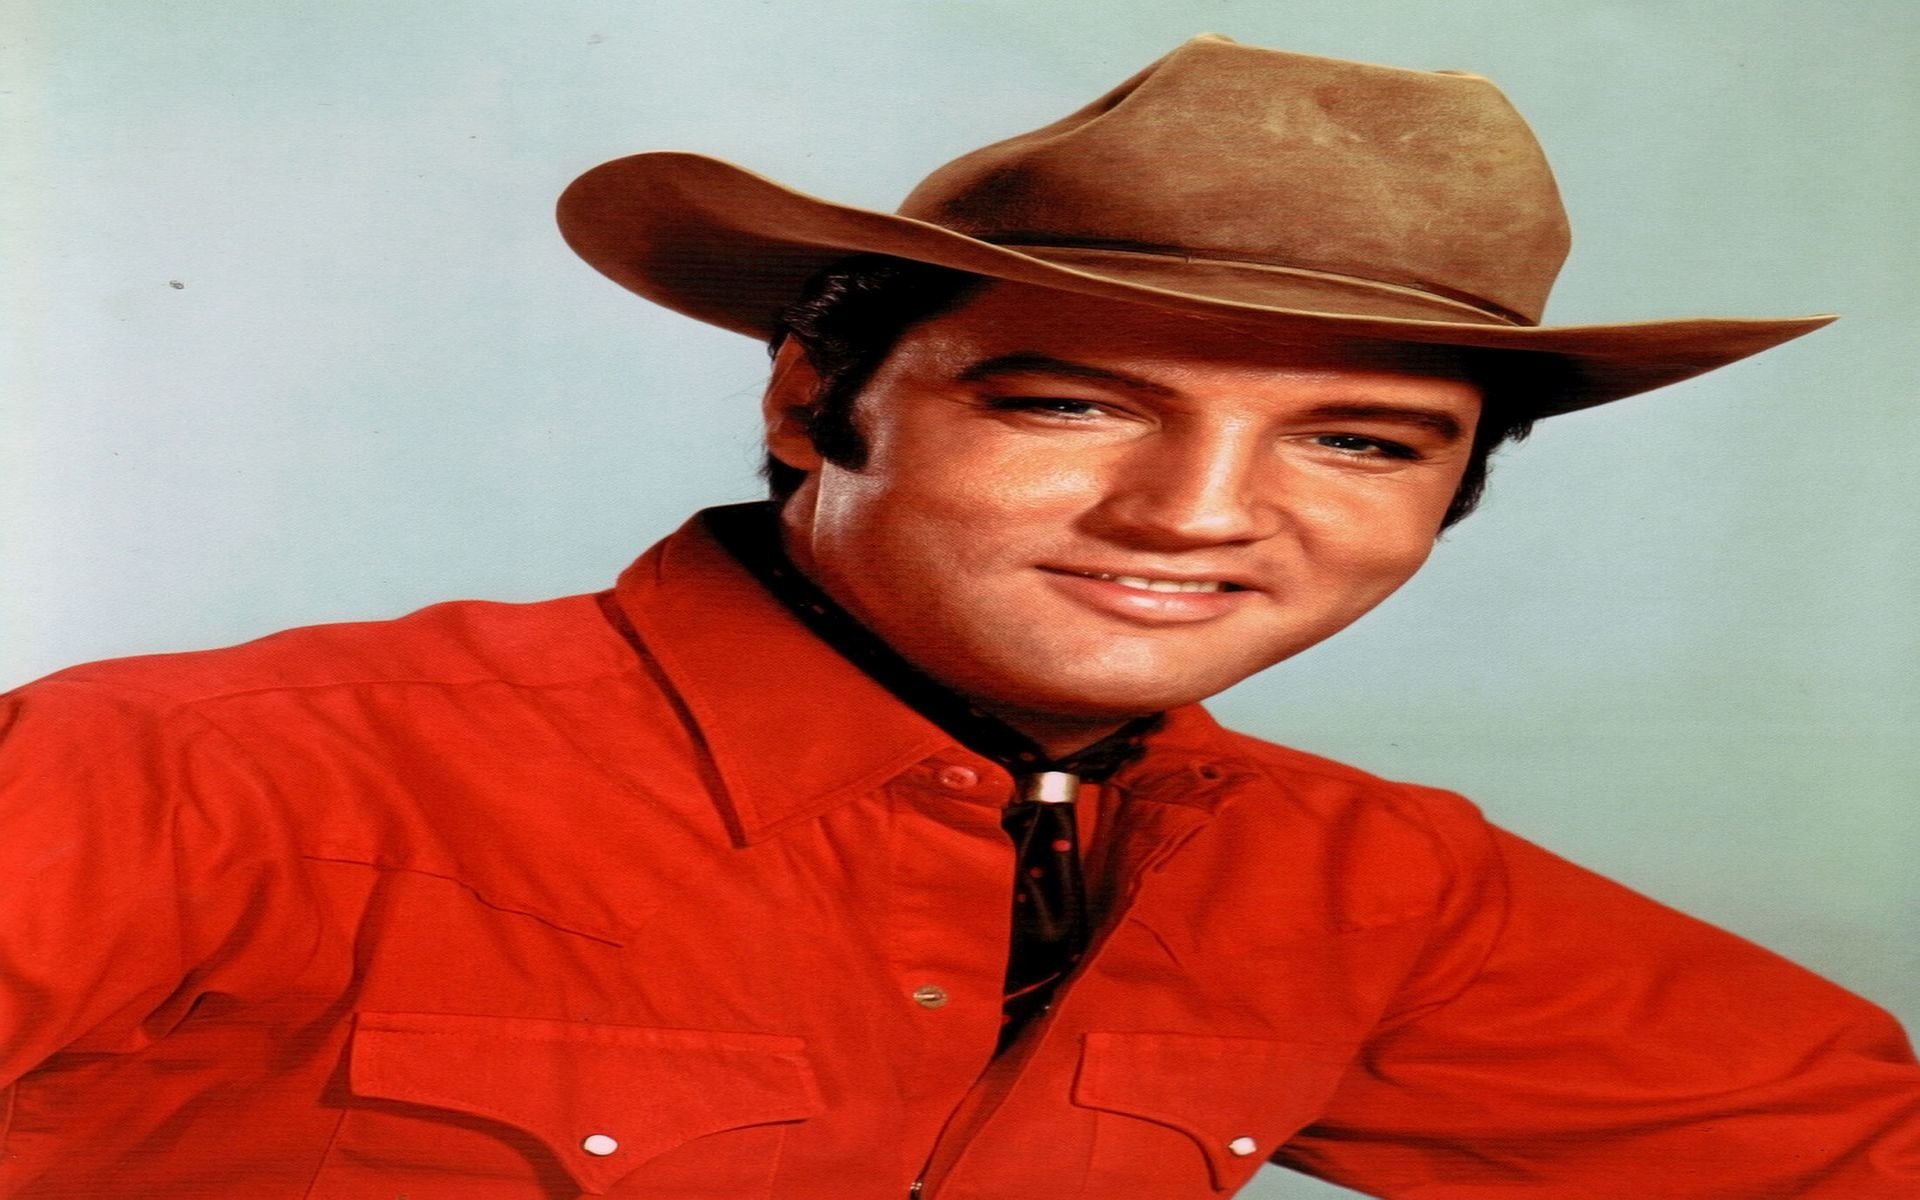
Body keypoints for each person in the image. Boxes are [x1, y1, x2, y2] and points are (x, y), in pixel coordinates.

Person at [2, 33, 1915, 1200]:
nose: (1198, 514)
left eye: (1358, 439)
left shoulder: (1376, 897)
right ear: (808, 398)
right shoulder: (201, 774)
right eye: (1069, 401)